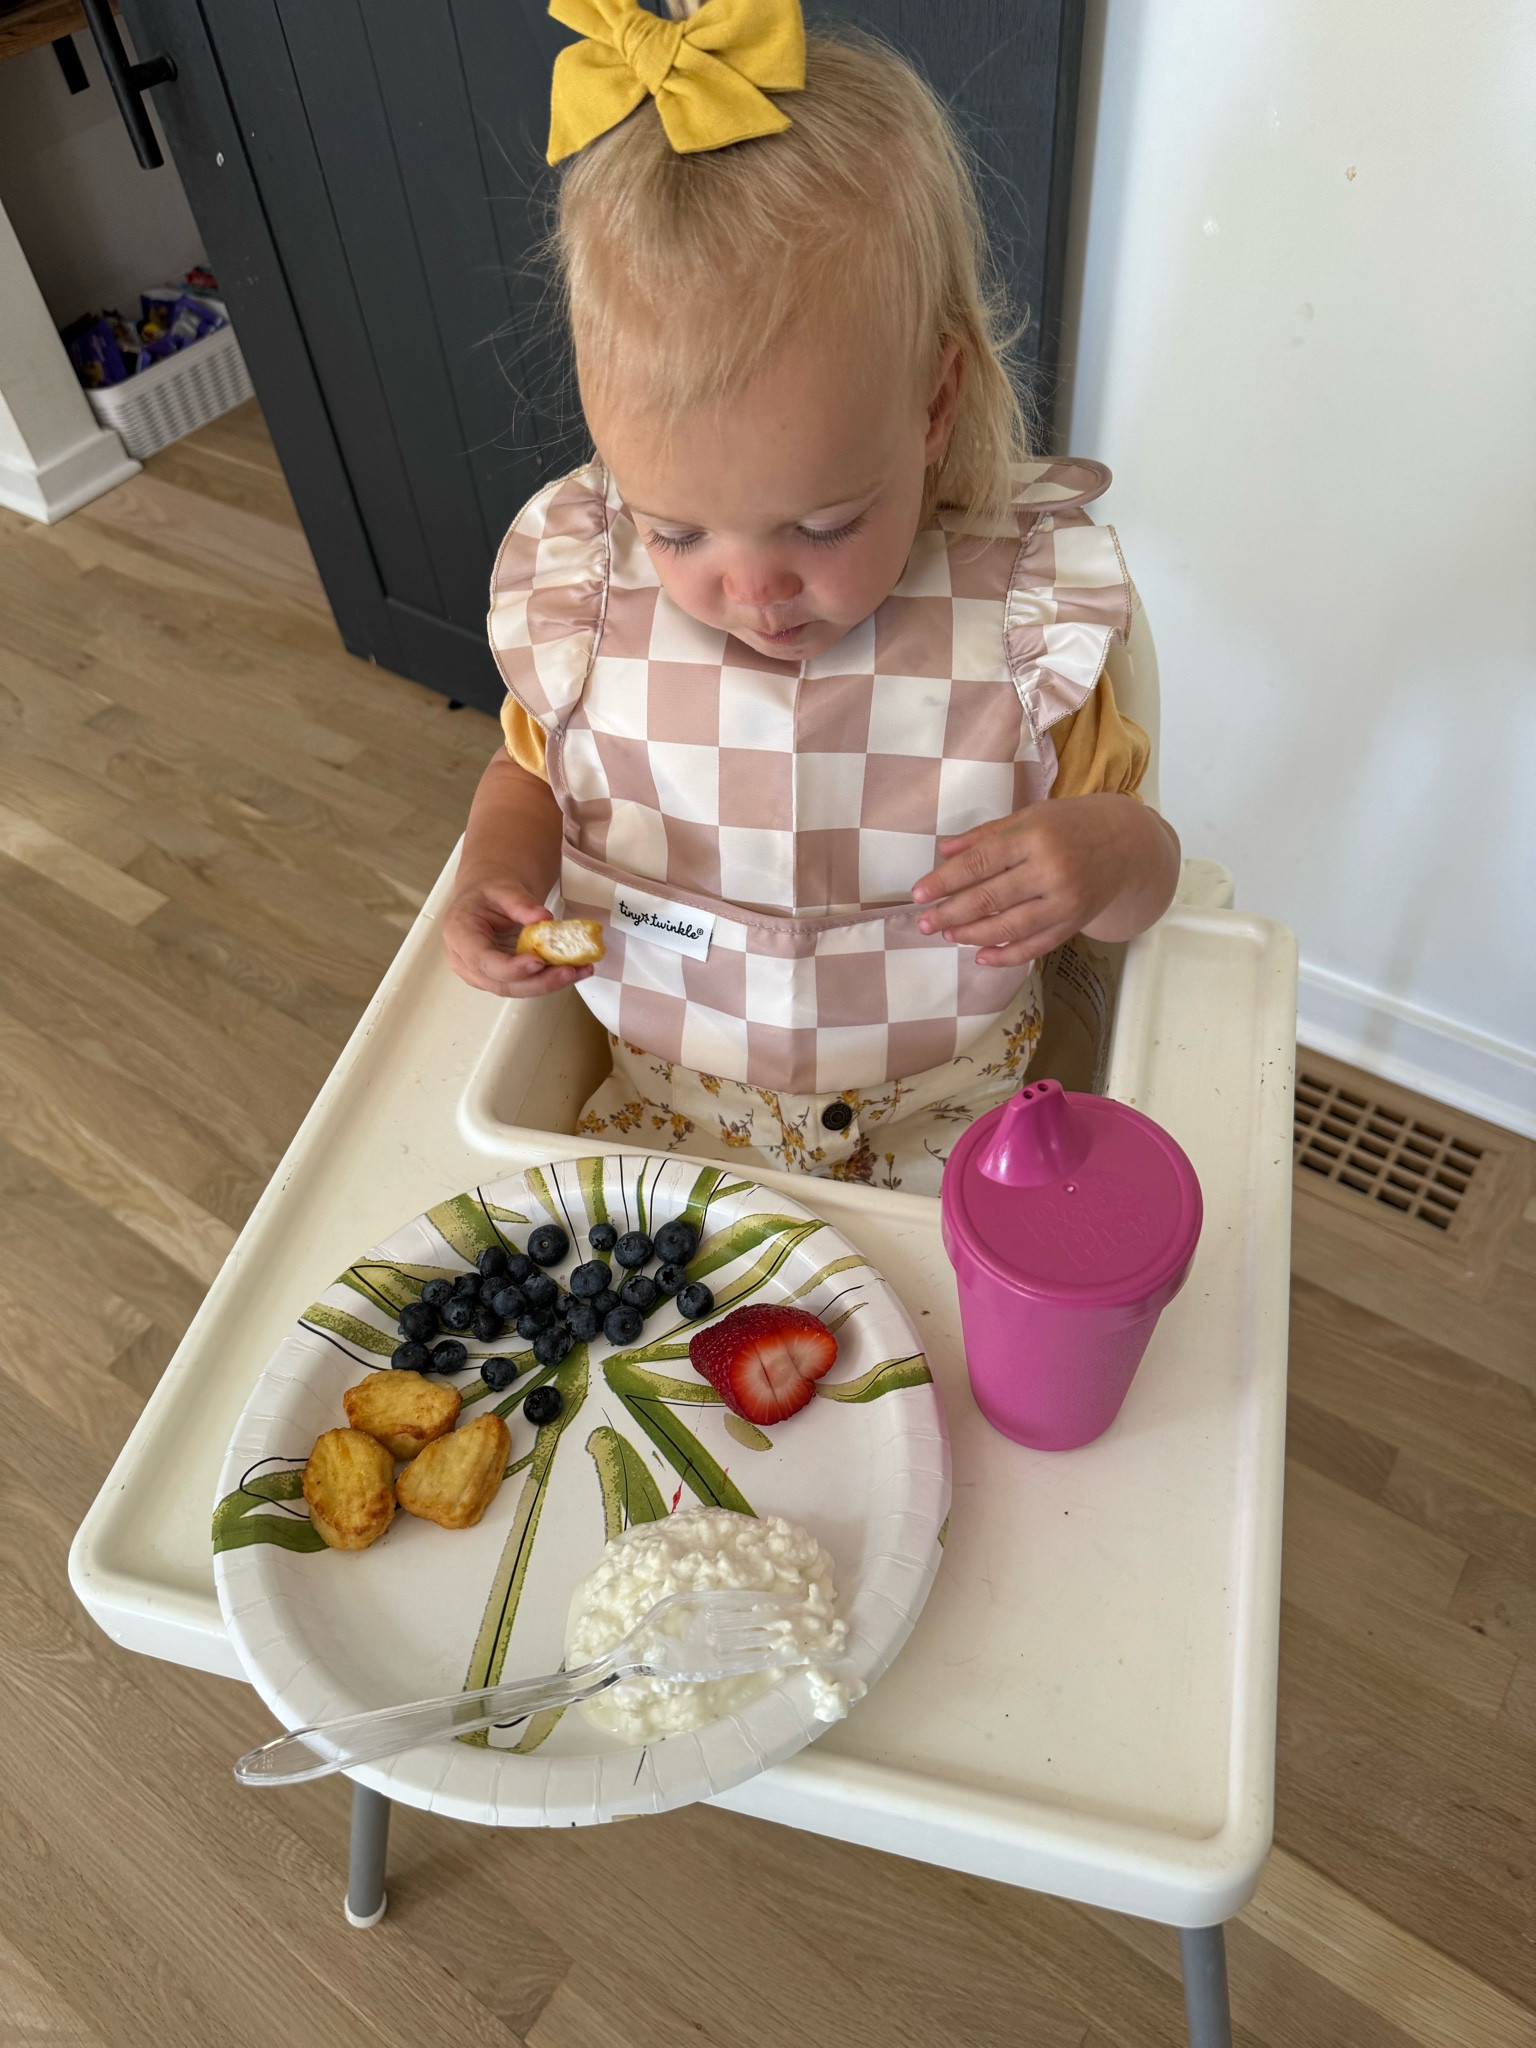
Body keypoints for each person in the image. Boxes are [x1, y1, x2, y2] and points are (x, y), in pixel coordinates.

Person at [444, 0, 1180, 1194]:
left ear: (934, 403)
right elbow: (533, 775)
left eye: (824, 524)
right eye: (675, 528)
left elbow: (1145, 893)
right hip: (657, 1117)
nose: (753, 588)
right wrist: (495, 874)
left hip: (963, 1131)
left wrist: (1101, 854)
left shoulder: (1026, 628)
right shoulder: (589, 610)